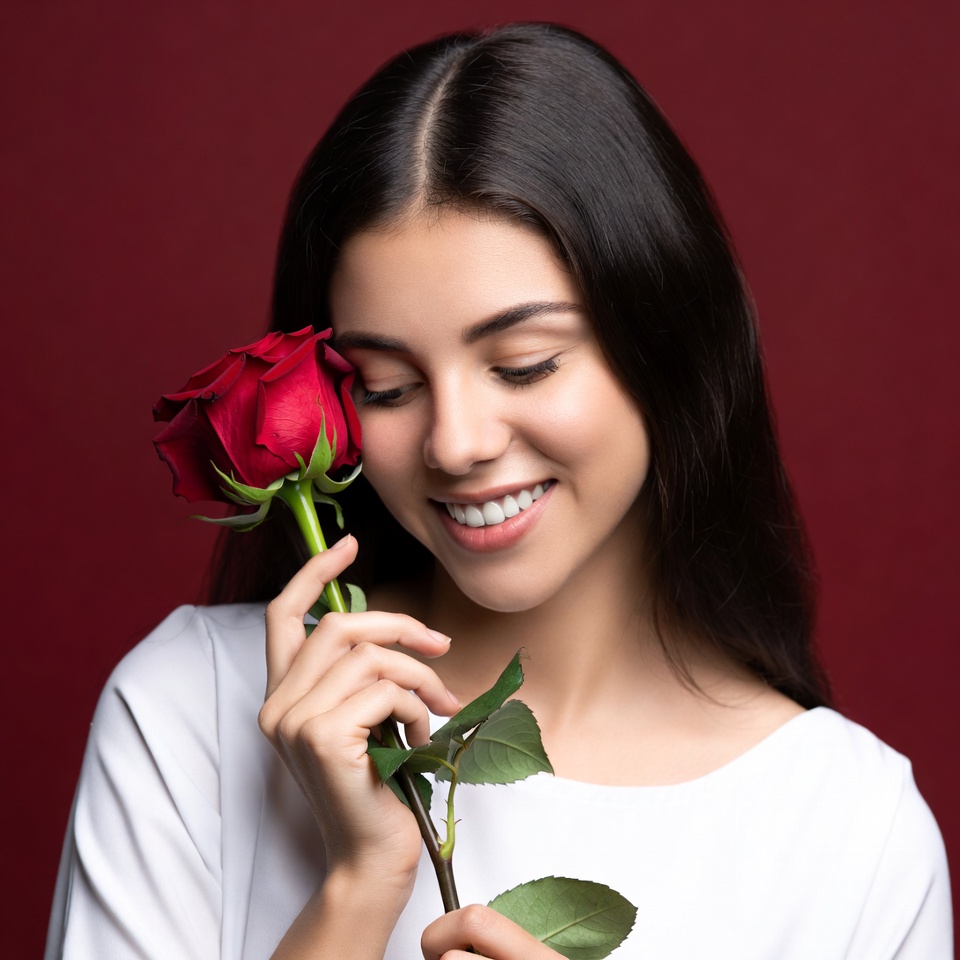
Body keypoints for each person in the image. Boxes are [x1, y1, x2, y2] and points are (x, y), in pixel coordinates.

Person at [46, 22, 952, 960]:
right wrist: (358, 888)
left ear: (668, 344)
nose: (456, 443)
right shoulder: (192, 712)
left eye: (524, 365)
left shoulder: (851, 831)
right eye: (387, 386)